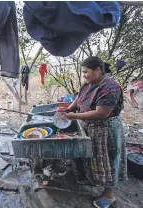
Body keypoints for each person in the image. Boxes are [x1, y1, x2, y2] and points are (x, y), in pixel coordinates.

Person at [63, 57, 127, 208]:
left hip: (106, 131)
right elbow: (79, 98)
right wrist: (68, 109)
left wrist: (73, 116)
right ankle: (92, 179)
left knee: (108, 162)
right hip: (90, 128)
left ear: (98, 70)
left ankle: (108, 195)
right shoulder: (90, 83)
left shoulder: (110, 87)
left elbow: (101, 113)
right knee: (95, 160)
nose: (84, 75)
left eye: (86, 72)